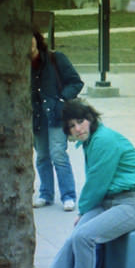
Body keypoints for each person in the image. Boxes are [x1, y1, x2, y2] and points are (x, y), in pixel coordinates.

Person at [30, 100, 135, 268]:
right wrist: (85, 212)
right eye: (72, 126)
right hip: (108, 201)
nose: (78, 129)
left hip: (132, 203)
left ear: (91, 118)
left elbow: (97, 182)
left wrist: (83, 210)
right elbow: (98, 187)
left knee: (83, 236)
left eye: (81, 122)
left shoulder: (104, 140)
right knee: (73, 240)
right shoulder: (91, 141)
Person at [30, 29, 84, 210]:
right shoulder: (20, 65)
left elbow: (76, 82)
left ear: (37, 41)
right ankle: (46, 194)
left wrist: (61, 100)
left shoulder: (55, 58)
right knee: (42, 156)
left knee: (58, 154)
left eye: (30, 40)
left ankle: (68, 196)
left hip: (56, 116)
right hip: (36, 118)